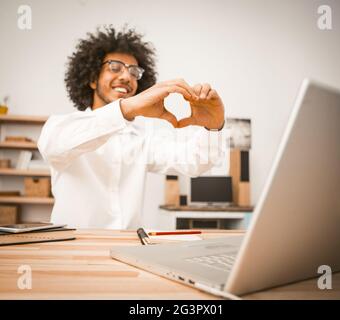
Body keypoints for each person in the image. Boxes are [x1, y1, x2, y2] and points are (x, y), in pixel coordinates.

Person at [38, 26, 225, 229]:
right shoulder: (62, 126)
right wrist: (127, 108)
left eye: (134, 72)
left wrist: (213, 126)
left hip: (126, 250)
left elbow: (195, 162)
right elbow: (53, 147)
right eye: (115, 67)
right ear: (92, 79)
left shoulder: (143, 137)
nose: (127, 77)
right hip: (72, 251)